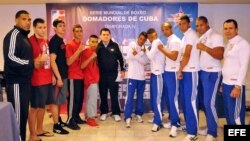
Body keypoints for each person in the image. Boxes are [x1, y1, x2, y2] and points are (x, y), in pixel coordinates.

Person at [3, 10, 34, 141]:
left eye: (29, 19)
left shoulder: (24, 36)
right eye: (24, 19)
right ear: (16, 20)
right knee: (17, 117)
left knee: (22, 116)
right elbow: (10, 57)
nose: (27, 22)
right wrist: (31, 62)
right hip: (16, 82)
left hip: (25, 82)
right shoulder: (14, 35)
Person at [196, 16, 224, 141]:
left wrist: (205, 48)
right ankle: (209, 127)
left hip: (212, 73)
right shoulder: (202, 37)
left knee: (209, 103)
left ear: (206, 23)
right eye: (197, 26)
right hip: (202, 72)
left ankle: (212, 133)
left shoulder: (215, 36)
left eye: (201, 25)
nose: (199, 28)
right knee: (204, 103)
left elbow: (219, 55)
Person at [28, 18, 55, 141]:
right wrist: (37, 61)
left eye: (44, 27)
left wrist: (53, 75)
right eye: (40, 27)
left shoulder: (46, 41)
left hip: (47, 78)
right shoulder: (29, 42)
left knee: (43, 106)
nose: (43, 30)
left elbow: (48, 60)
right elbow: (29, 62)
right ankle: (32, 135)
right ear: (34, 28)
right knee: (34, 108)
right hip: (36, 79)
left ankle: (39, 129)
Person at [222, 19, 250, 125]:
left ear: (236, 30)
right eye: (225, 28)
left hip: (235, 85)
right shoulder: (229, 44)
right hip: (226, 84)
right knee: (229, 115)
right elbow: (227, 64)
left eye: (230, 28)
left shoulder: (243, 44)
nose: (228, 31)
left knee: (236, 117)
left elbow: (244, 66)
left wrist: (238, 86)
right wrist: (223, 82)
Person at [177, 15, 199, 141]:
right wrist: (181, 70)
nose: (181, 26)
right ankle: (189, 126)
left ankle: (193, 132)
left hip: (191, 72)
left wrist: (180, 69)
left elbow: (187, 54)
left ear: (188, 24)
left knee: (191, 102)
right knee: (185, 101)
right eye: (179, 24)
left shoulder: (191, 35)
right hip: (185, 71)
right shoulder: (185, 37)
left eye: (183, 23)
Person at [97, 28, 125, 121]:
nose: (105, 36)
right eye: (103, 34)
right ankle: (104, 112)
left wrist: (122, 69)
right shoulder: (98, 47)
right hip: (101, 75)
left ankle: (116, 113)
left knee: (114, 94)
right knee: (103, 94)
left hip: (113, 74)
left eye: (107, 34)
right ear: (100, 36)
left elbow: (121, 58)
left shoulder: (115, 45)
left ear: (110, 36)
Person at [159, 21, 182, 137]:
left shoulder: (175, 40)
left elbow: (173, 56)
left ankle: (176, 124)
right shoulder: (169, 40)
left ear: (171, 29)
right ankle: (174, 120)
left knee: (173, 99)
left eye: (166, 29)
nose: (164, 32)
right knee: (169, 98)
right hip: (168, 71)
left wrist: (161, 49)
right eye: (163, 30)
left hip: (173, 72)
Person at [124, 32, 149, 128]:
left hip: (141, 77)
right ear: (138, 37)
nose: (141, 40)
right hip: (132, 76)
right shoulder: (132, 44)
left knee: (140, 97)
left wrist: (138, 55)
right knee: (129, 97)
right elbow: (129, 56)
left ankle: (138, 114)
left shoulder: (145, 50)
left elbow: (145, 61)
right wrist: (141, 54)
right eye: (140, 38)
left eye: (143, 39)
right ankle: (127, 117)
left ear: (145, 40)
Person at [49, 18, 69, 134]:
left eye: (63, 25)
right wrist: (58, 77)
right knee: (55, 101)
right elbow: (52, 61)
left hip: (63, 74)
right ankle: (56, 126)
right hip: (59, 77)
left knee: (60, 100)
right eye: (60, 26)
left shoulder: (61, 40)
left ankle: (59, 120)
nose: (63, 27)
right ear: (55, 28)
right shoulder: (55, 41)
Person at [66, 24, 85, 130]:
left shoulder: (81, 43)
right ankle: (70, 120)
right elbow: (69, 62)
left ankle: (76, 116)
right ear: (73, 33)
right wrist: (78, 51)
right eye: (76, 31)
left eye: (80, 31)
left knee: (79, 98)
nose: (79, 33)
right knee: (73, 99)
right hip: (73, 76)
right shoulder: (70, 44)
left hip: (81, 76)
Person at [146, 28, 165, 132]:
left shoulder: (157, 42)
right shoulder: (154, 43)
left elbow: (149, 56)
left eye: (150, 36)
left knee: (157, 98)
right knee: (155, 98)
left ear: (155, 34)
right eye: (148, 37)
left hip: (158, 73)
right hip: (154, 73)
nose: (149, 39)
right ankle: (157, 117)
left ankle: (158, 122)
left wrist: (146, 49)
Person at [81, 35, 99, 127]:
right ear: (89, 41)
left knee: (90, 99)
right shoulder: (85, 52)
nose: (94, 44)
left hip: (95, 78)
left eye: (96, 42)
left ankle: (88, 116)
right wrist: (91, 58)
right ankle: (90, 118)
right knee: (91, 99)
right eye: (92, 41)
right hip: (89, 79)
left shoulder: (96, 52)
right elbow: (82, 66)